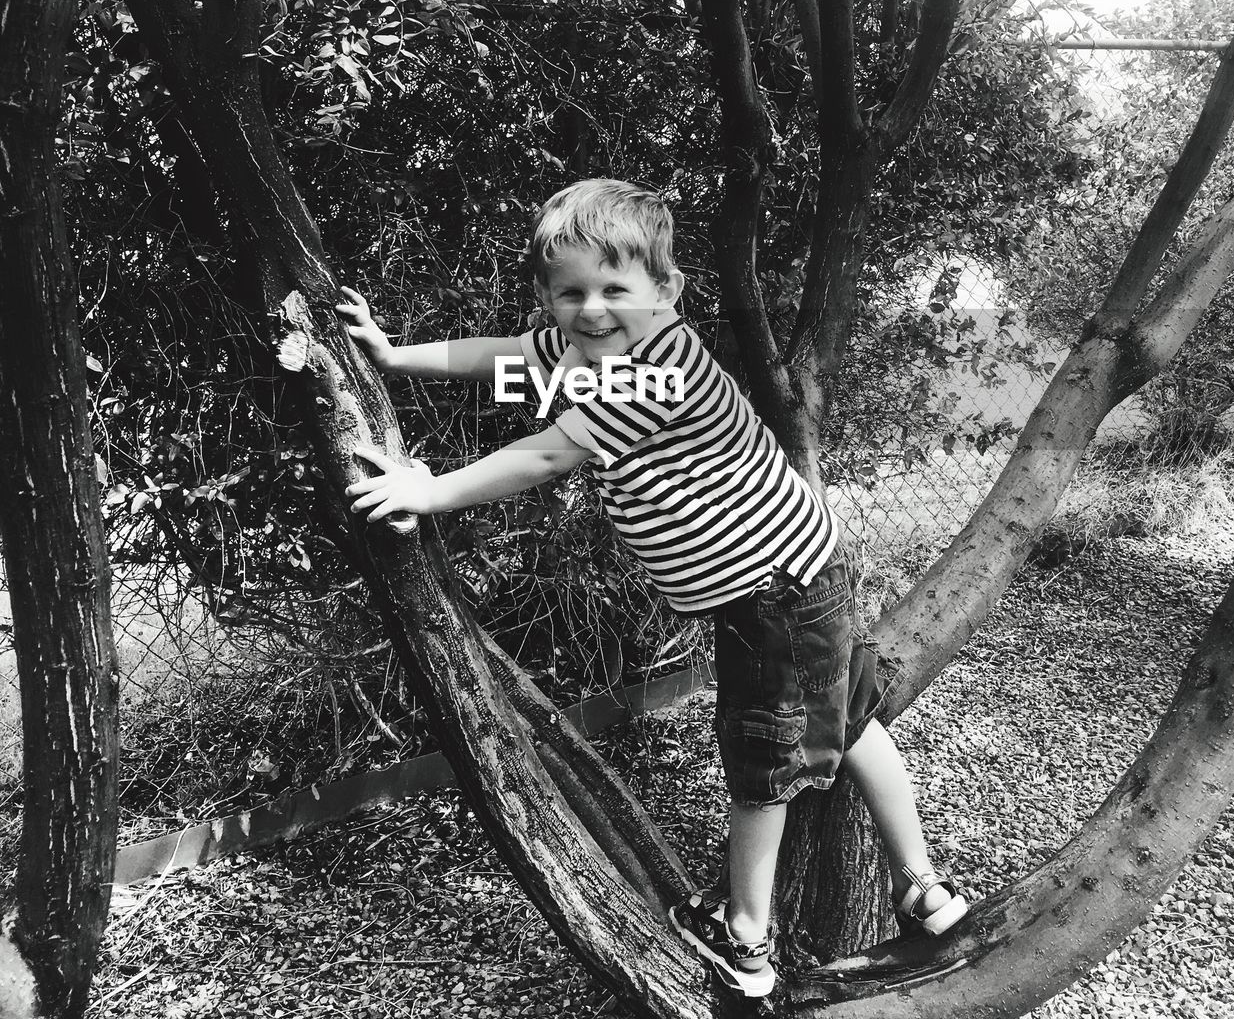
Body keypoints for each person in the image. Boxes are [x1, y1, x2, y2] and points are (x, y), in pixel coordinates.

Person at [336, 178, 966, 997]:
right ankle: (923, 888)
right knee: (851, 721)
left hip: (771, 593)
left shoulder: (659, 367)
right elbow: (503, 354)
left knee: (762, 762)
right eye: (571, 293)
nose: (592, 310)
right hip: (798, 571)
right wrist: (395, 354)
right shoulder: (583, 350)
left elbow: (547, 455)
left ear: (666, 293)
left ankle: (746, 937)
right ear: (549, 297)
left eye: (615, 290)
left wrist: (429, 491)